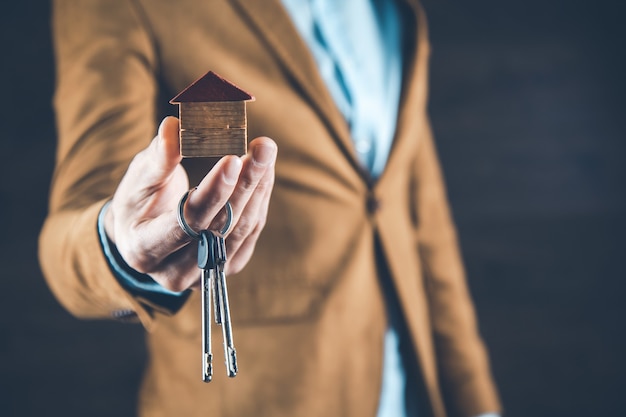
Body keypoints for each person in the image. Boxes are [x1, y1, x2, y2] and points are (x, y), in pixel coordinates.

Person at [39, 1, 502, 416]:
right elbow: (69, 235)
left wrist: (475, 402)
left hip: (409, 391)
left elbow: (422, 227)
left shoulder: (395, 11)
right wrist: (123, 243)